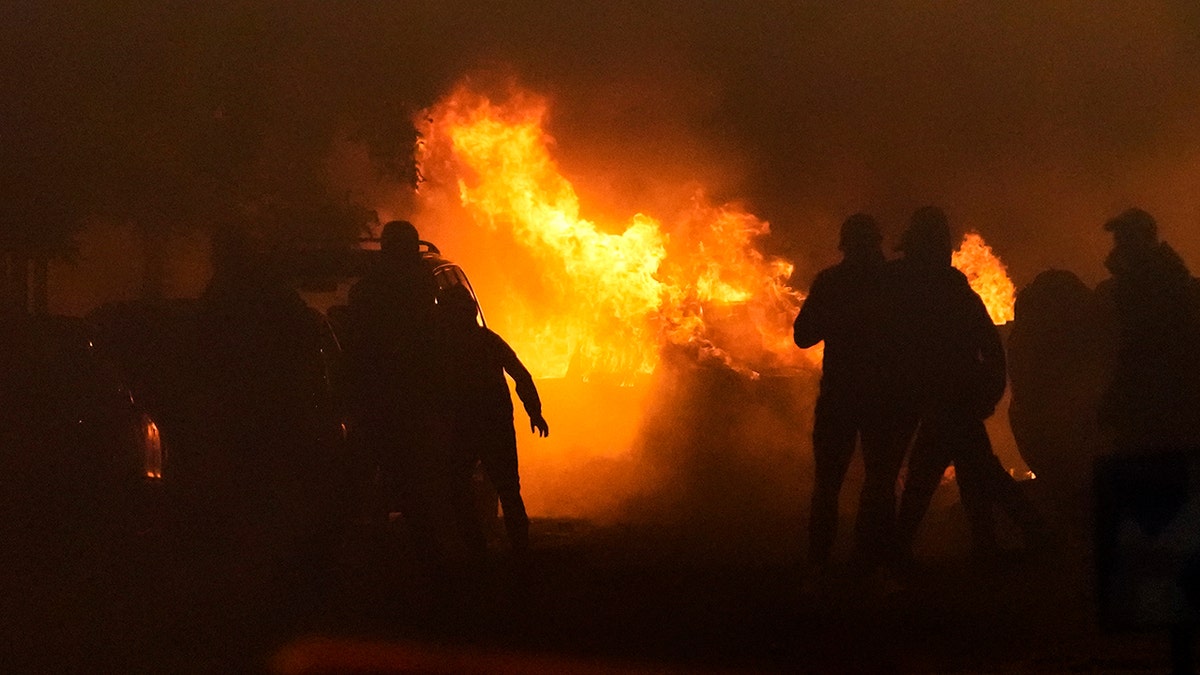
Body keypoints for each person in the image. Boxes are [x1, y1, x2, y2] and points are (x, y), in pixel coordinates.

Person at [889, 207, 1047, 564]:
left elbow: (987, 347)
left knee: (930, 475)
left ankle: (899, 550)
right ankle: (1000, 541)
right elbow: (990, 347)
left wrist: (985, 392)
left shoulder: (939, 293)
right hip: (954, 399)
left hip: (948, 400)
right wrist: (987, 392)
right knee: (978, 471)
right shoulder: (949, 291)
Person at [793, 214, 904, 578]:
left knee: (831, 483)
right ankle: (872, 563)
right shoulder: (893, 283)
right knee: (879, 482)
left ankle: (822, 564)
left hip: (844, 394)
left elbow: (804, 335)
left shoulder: (832, 282)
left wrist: (836, 317)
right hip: (879, 396)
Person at [343, 220, 442, 551]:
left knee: (380, 470)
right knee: (415, 476)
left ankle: (380, 541)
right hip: (412, 397)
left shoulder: (368, 290)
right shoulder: (425, 285)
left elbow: (353, 344)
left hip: (379, 397)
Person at [437, 284, 549, 555]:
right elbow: (521, 375)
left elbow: (427, 388)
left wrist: (534, 411)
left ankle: (477, 545)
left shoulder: (442, 348)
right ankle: (518, 550)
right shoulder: (487, 341)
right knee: (507, 487)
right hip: (492, 425)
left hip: (466, 426)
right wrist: (534, 412)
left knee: (459, 485)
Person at [1095, 208, 1200, 453]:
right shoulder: (1161, 279)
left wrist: (1114, 403)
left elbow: (1138, 350)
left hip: (1163, 409)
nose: (1118, 248)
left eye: (1125, 239)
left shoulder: (1157, 287)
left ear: (1143, 241)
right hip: (1162, 408)